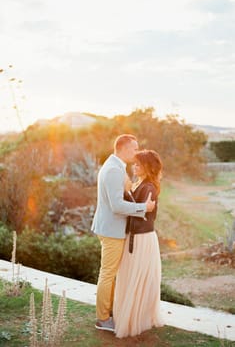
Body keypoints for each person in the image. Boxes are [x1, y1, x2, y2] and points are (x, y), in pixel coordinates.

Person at [91, 134, 155, 332]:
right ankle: (102, 319)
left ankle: (107, 313)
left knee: (109, 273)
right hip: (111, 230)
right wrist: (143, 208)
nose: (136, 153)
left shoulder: (116, 167)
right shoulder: (113, 170)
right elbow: (117, 205)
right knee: (108, 273)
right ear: (124, 149)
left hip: (110, 227)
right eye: (134, 149)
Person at [113, 149, 164, 338]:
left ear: (147, 167)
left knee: (139, 278)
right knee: (132, 277)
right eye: (134, 163)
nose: (134, 166)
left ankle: (138, 319)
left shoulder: (148, 187)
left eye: (138, 164)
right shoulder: (139, 183)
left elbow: (142, 213)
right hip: (134, 236)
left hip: (142, 238)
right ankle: (131, 316)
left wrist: (126, 193)